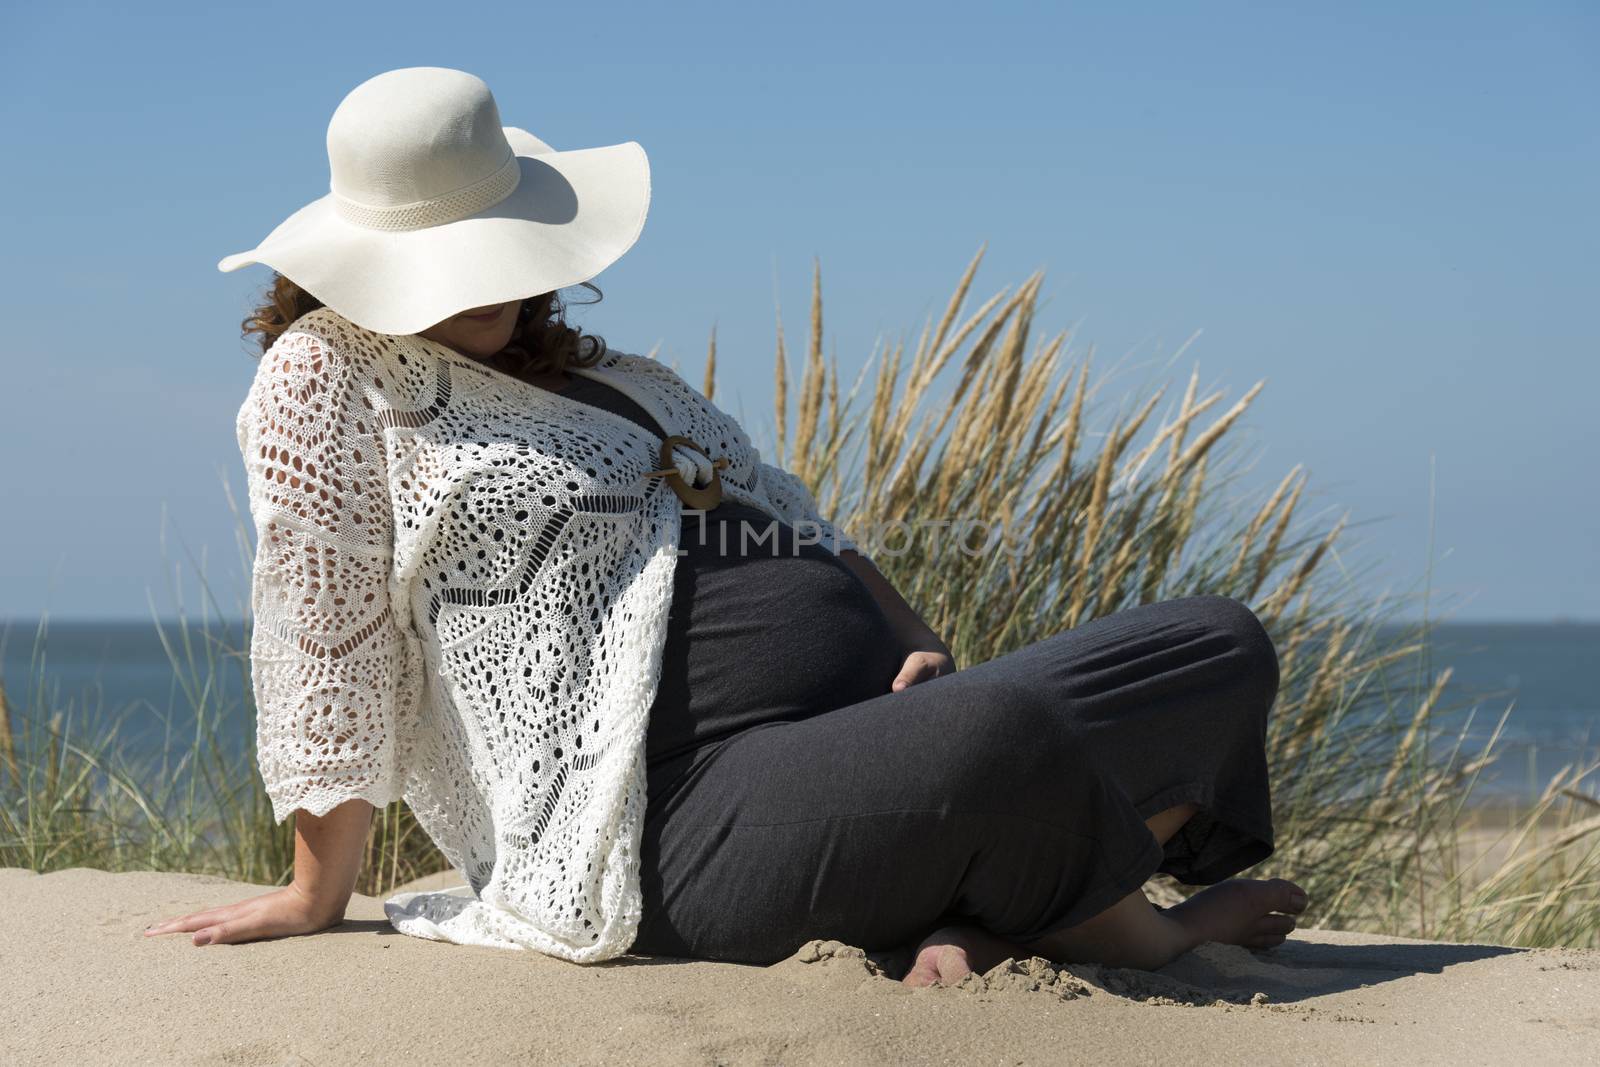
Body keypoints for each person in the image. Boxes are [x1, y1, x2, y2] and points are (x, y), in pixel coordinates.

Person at [145, 66, 1307, 984]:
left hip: (862, 737)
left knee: (1218, 640)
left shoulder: (625, 376)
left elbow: (798, 519)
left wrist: (913, 637)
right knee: (998, 735)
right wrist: (315, 889)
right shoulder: (333, 375)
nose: (481, 283)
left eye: (494, 248)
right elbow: (322, 627)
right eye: (445, 261)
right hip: (676, 816)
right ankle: (1143, 933)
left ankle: (986, 903)